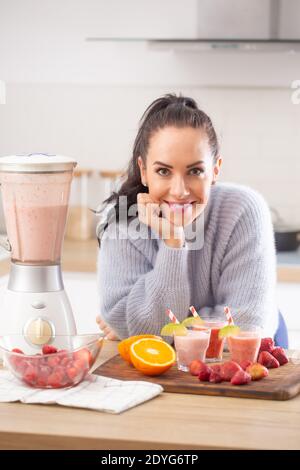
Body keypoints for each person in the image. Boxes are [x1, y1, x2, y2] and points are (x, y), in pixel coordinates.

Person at [96, 93, 278, 341]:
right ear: (144, 171)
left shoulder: (244, 210)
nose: (180, 191)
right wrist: (173, 242)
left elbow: (246, 326)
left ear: (214, 171)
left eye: (195, 171)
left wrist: (163, 330)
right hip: (157, 369)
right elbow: (138, 331)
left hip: (244, 365)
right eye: (163, 171)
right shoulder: (122, 222)